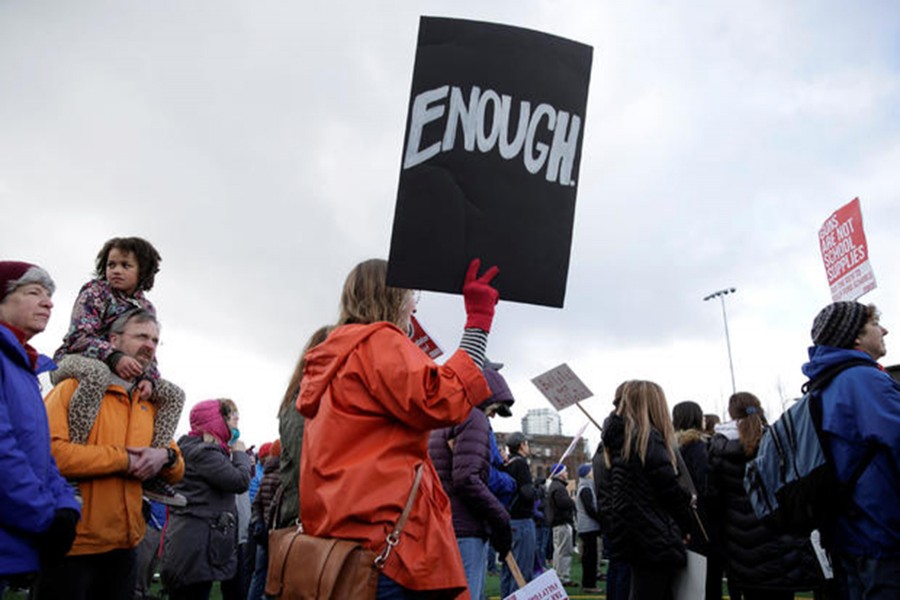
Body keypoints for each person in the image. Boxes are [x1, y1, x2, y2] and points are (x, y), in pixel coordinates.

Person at [297, 257, 499, 598]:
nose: (414, 310)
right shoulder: (377, 343)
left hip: (340, 542)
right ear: (391, 297)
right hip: (385, 548)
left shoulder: (334, 355)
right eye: (411, 297)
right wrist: (478, 322)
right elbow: (444, 398)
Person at [39, 309, 186, 600]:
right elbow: (52, 456)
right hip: (71, 545)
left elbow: (178, 469)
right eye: (141, 336)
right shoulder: (71, 389)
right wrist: (125, 460)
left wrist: (164, 458)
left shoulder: (148, 401)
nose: (150, 345)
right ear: (113, 340)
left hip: (125, 546)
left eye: (155, 339)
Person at [52, 237, 185, 506]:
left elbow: (149, 352)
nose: (116, 270)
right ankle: (73, 468)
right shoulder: (95, 293)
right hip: (77, 360)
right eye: (111, 264)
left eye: (126, 265)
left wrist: (148, 377)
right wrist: (113, 356)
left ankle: (153, 468)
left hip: (125, 371)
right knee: (98, 373)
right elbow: (79, 335)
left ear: (142, 272)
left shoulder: (146, 309)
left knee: (173, 394)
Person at [803, 301, 900, 598]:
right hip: (881, 536)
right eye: (875, 324)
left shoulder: (822, 384)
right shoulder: (865, 380)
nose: (883, 329)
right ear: (855, 338)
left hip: (846, 536)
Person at [0, 262, 81, 593]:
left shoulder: (25, 368)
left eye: (49, 296)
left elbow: (40, 451)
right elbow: (3, 449)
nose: (48, 302)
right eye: (33, 292)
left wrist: (66, 507)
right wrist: (44, 518)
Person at [708, 391, 825, 599]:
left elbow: (715, 502)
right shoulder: (780, 442)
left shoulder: (719, 451)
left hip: (742, 549)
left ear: (730, 413)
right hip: (781, 543)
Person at [597, 380, 692, 600]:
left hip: (635, 534)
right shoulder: (647, 440)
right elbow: (668, 491)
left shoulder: (623, 443)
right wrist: (687, 519)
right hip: (653, 537)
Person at [428, 366, 514, 600]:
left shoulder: (442, 417)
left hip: (440, 525)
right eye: (495, 409)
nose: (493, 416)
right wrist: (501, 519)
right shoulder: (474, 417)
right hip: (465, 527)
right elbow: (467, 479)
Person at [160, 398, 252, 600]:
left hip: (196, 543)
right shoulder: (203, 452)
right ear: (217, 421)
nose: (236, 424)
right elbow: (239, 481)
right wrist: (240, 455)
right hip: (195, 547)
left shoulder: (196, 449)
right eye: (232, 418)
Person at [672, 400, 720, 600]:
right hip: (703, 521)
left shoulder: (671, 448)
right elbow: (706, 486)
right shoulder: (698, 446)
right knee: (709, 580)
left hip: (682, 522)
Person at [501, 431, 537, 598]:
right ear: (522, 445)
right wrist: (537, 488)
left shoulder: (507, 463)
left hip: (508, 521)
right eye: (527, 444)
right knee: (522, 571)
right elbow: (527, 494)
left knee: (509, 570)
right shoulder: (521, 463)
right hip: (522, 521)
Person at [547, 464, 576, 586]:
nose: (567, 474)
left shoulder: (555, 486)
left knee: (559, 550)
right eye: (565, 471)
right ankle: (562, 577)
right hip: (562, 522)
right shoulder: (559, 488)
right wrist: (572, 501)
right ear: (559, 473)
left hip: (558, 522)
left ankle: (559, 575)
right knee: (563, 551)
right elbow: (563, 503)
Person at [575, 463, 602, 594]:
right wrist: (601, 518)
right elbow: (590, 508)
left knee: (589, 557)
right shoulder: (585, 488)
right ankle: (589, 584)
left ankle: (588, 583)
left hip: (587, 527)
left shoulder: (585, 486)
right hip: (588, 528)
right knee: (590, 558)